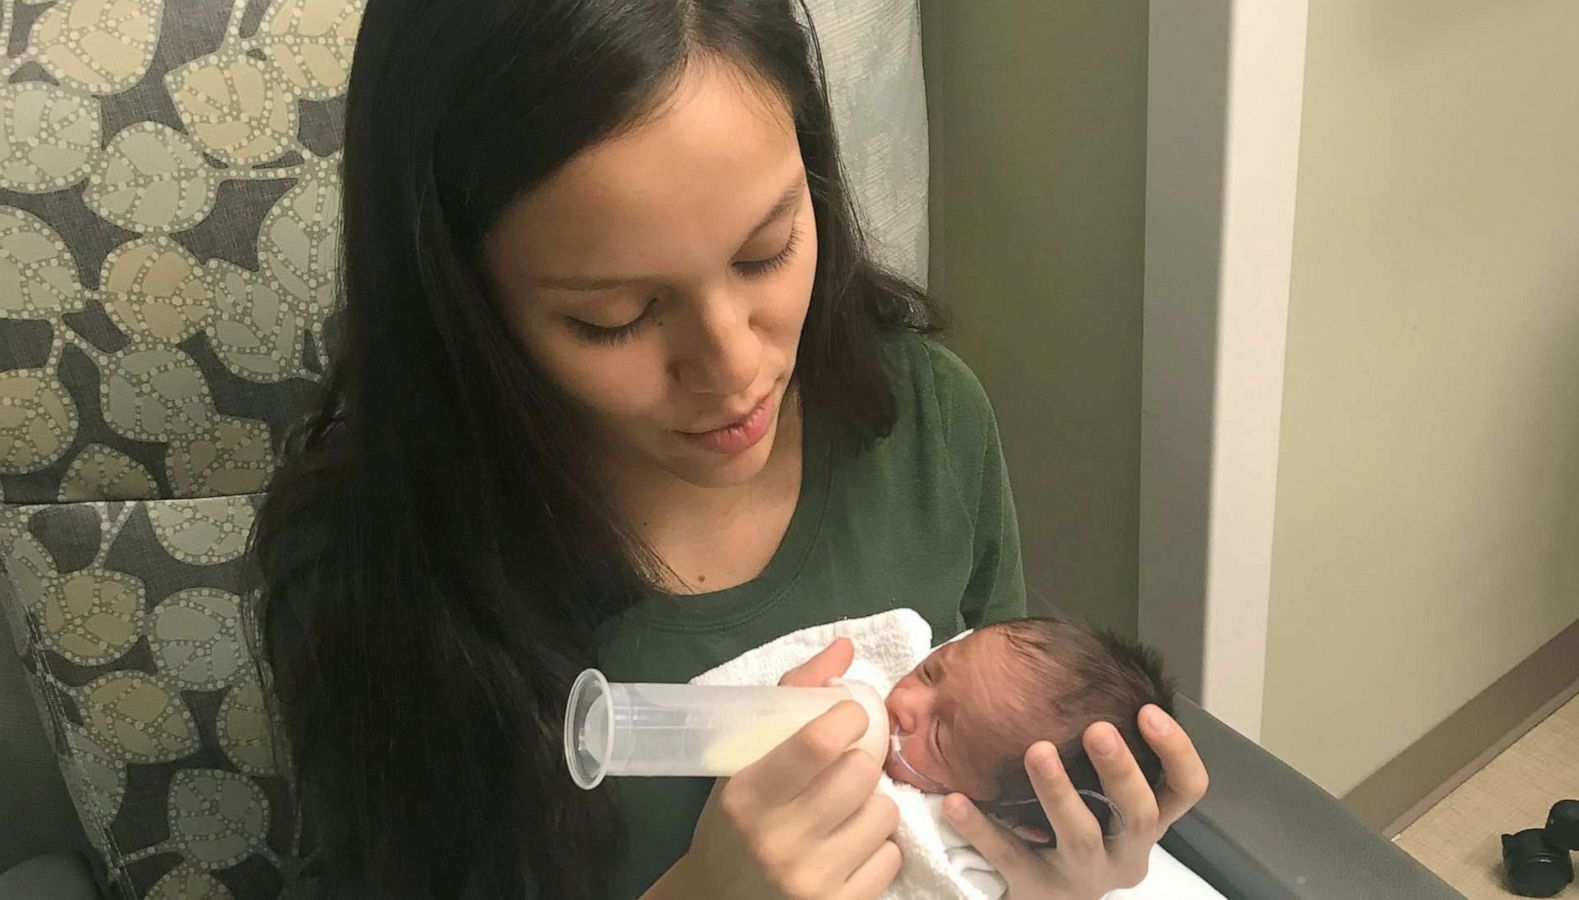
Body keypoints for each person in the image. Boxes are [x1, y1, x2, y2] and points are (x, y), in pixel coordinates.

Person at [250, 0, 1210, 898]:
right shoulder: (378, 569)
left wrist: (1051, 867)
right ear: (464, 306)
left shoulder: (925, 421)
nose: (735, 368)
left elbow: (1009, 713)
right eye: (614, 317)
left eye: (767, 250)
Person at [883, 617, 1176, 846]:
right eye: (931, 672)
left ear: (1005, 821)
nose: (902, 700)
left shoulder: (941, 845)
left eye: (938, 738)